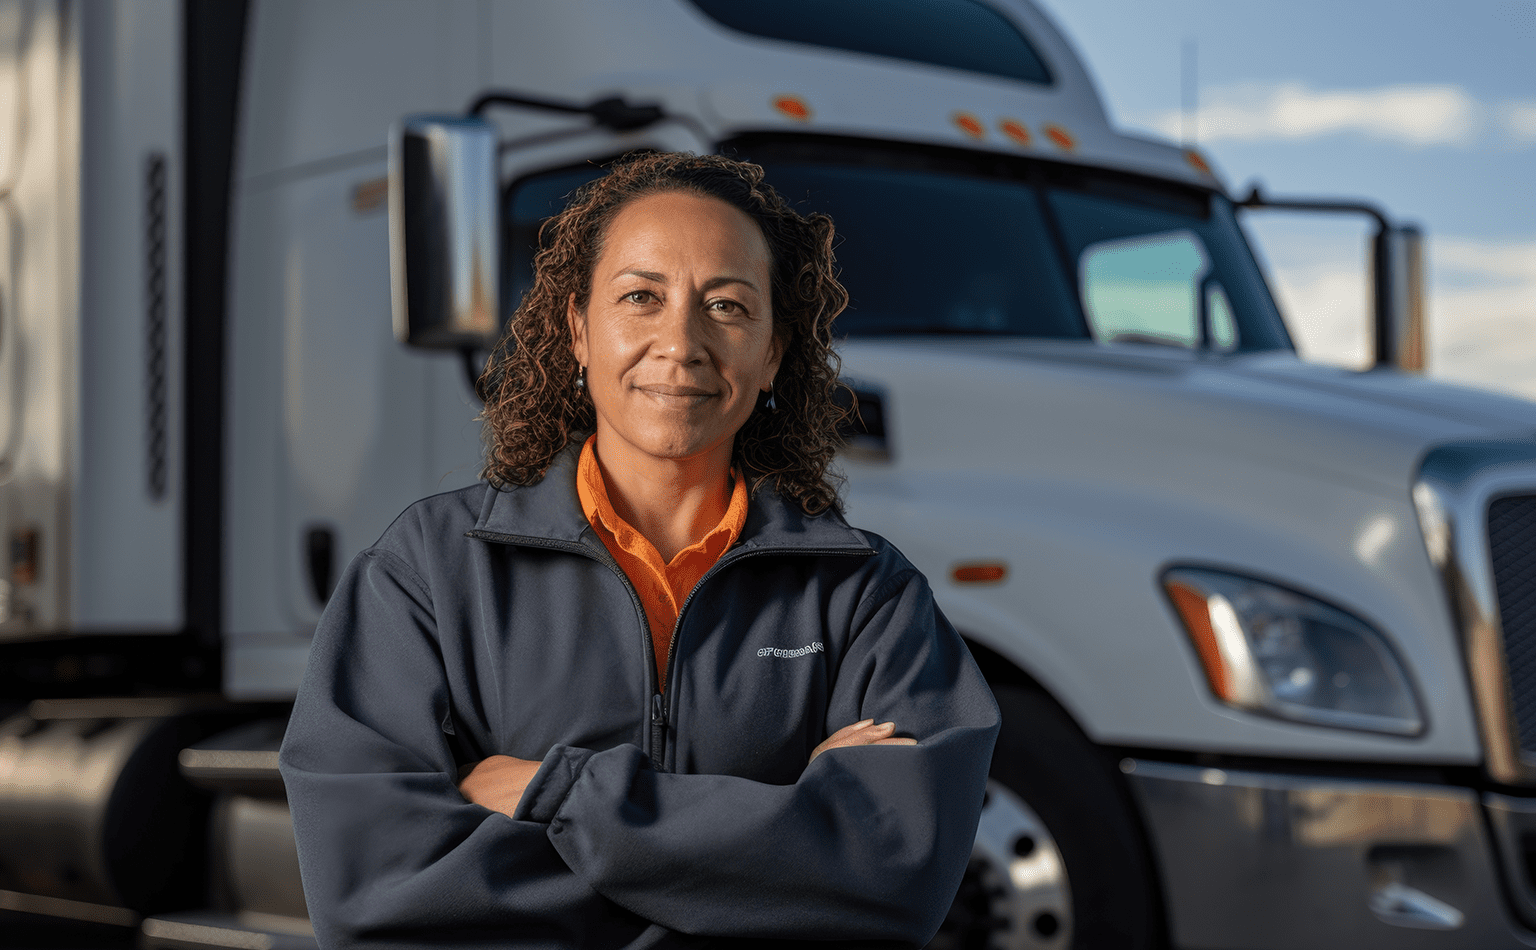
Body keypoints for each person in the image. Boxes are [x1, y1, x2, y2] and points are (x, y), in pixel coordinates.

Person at [278, 151, 1000, 950]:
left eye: (726, 306)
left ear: (773, 354)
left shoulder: (868, 596)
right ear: (579, 331)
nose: (681, 341)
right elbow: (373, 891)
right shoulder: (428, 570)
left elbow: (891, 876)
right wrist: (770, 847)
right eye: (640, 297)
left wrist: (555, 794)